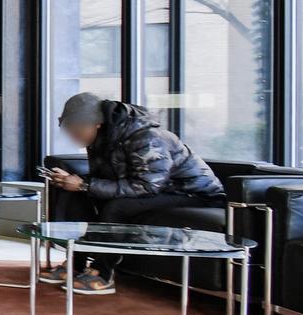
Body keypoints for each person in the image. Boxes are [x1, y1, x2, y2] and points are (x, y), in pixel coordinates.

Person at [41, 92, 224, 295]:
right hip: (159, 190)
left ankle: (103, 273)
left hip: (194, 194)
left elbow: (148, 186)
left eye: (77, 129)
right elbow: (104, 179)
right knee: (75, 194)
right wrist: (77, 184)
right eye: (68, 129)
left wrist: (85, 185)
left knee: (116, 207)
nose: (72, 135)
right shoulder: (101, 139)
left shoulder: (146, 137)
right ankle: (76, 262)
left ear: (96, 124)